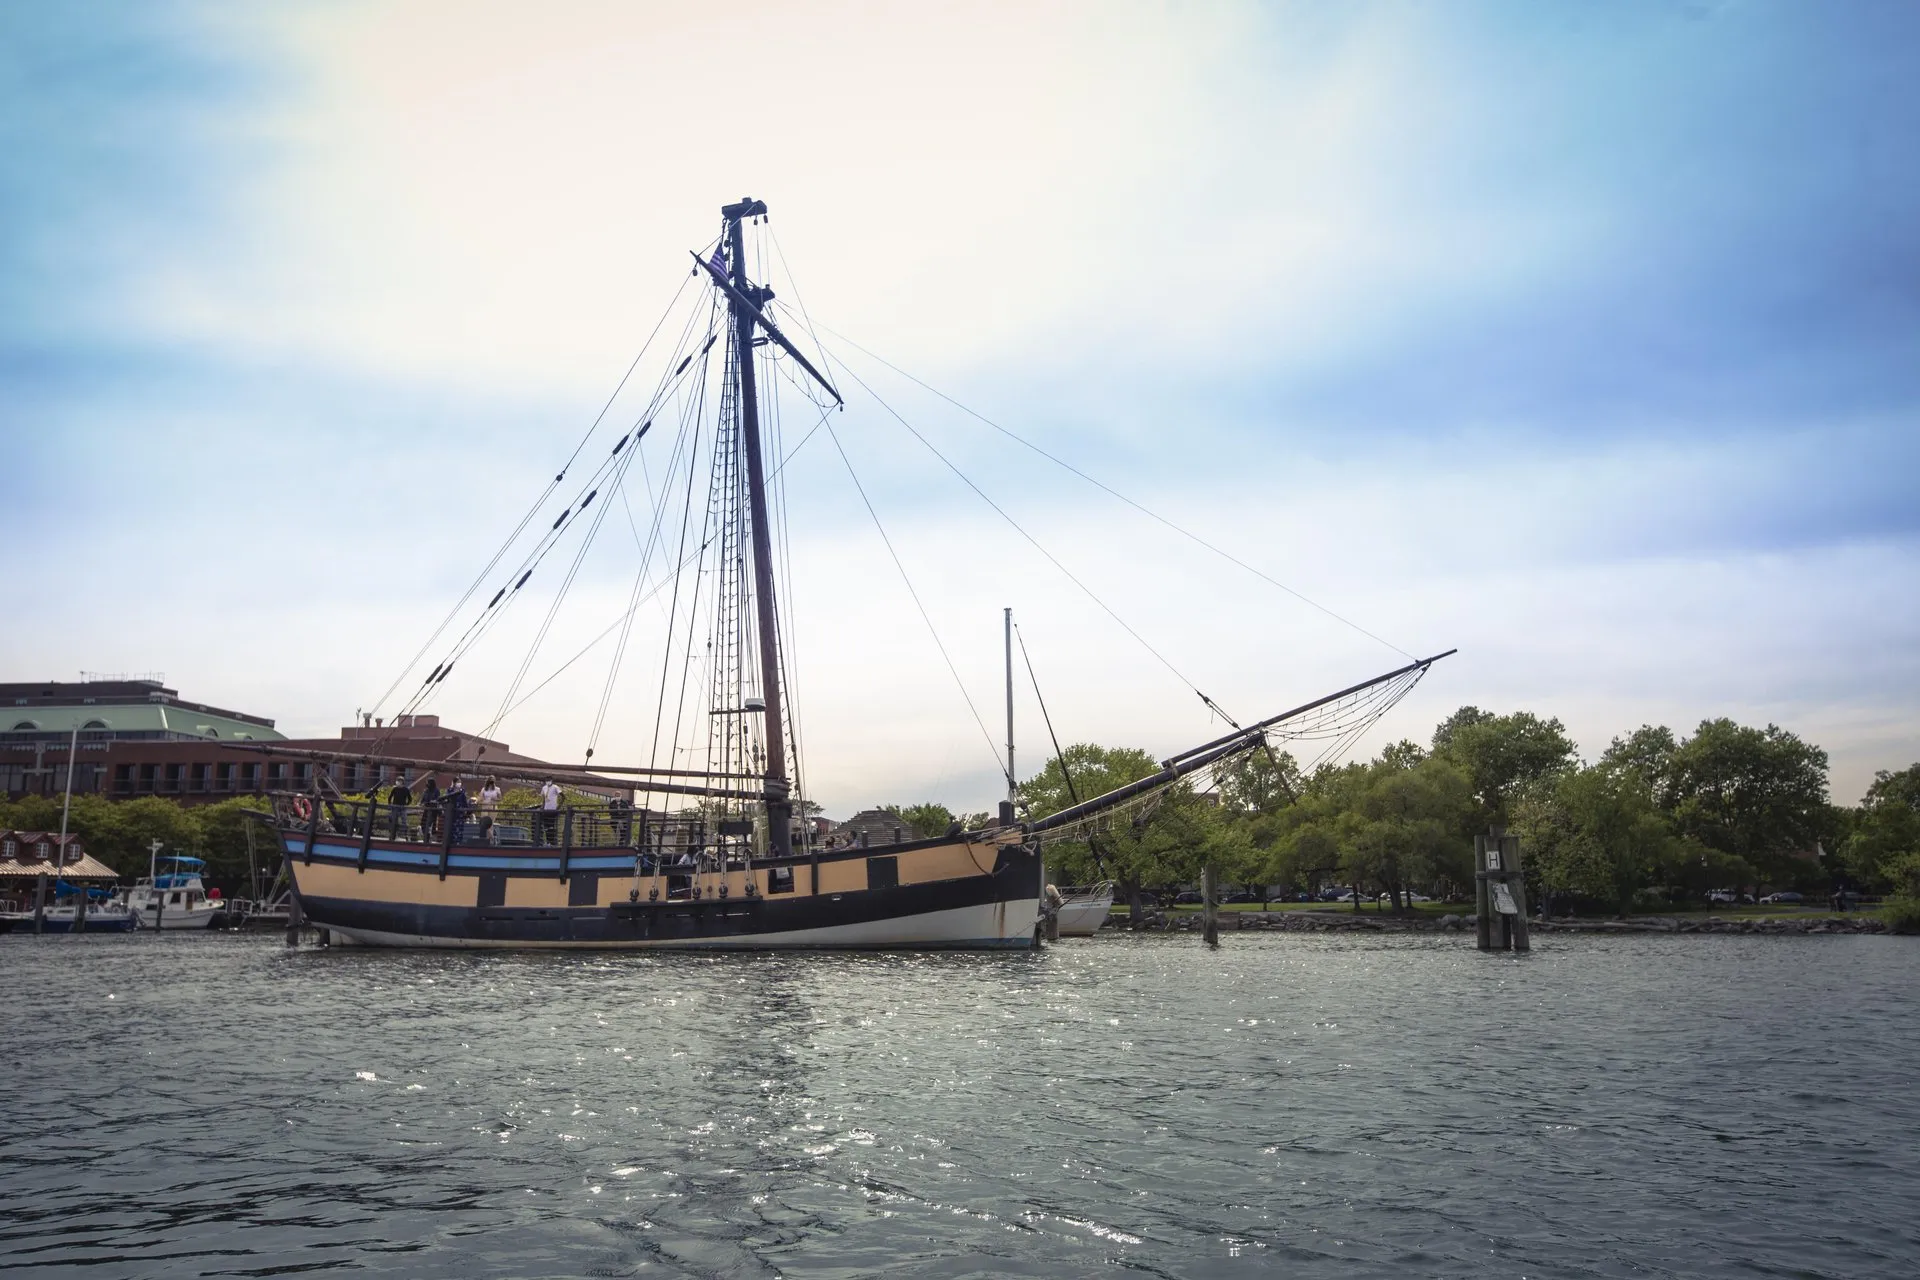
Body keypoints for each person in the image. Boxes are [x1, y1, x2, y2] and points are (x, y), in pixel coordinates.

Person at [445, 777, 470, 846]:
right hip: (452, 811)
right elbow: (447, 799)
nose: (459, 783)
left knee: (459, 827)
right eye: (458, 782)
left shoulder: (462, 791)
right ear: (454, 783)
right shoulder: (450, 790)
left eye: (460, 782)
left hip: (460, 812)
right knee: (451, 827)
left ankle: (458, 842)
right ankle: (451, 841)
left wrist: (466, 809)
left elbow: (464, 801)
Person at [388, 773, 413, 839]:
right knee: (393, 821)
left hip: (402, 807)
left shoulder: (406, 789)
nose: (398, 782)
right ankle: (393, 835)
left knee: (404, 821)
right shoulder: (394, 789)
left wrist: (406, 804)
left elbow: (410, 798)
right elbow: (390, 797)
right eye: (397, 781)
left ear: (402, 782)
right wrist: (390, 804)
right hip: (395, 807)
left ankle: (405, 835)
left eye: (399, 781)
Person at [479, 776, 502, 844]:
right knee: (484, 822)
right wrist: (479, 800)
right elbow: (481, 797)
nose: (492, 783)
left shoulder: (497, 789)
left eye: (493, 781)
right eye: (491, 781)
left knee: (490, 824)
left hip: (493, 807)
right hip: (485, 806)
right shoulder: (484, 789)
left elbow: (500, 798)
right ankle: (492, 838)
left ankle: (490, 840)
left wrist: (495, 799)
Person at [539, 778, 562, 845]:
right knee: (546, 827)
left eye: (549, 780)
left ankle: (552, 842)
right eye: (546, 780)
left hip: (553, 809)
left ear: (552, 781)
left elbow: (563, 796)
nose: (548, 782)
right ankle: (548, 842)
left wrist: (558, 807)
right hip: (546, 809)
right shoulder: (544, 788)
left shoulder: (555, 787)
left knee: (551, 826)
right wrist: (542, 807)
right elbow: (544, 798)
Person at [419, 775, 442, 842]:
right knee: (423, 824)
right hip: (426, 809)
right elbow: (423, 799)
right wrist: (421, 803)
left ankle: (429, 837)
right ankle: (426, 836)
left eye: (428, 782)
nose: (427, 784)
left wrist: (434, 801)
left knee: (430, 824)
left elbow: (438, 799)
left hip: (433, 810)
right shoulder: (426, 790)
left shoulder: (436, 790)